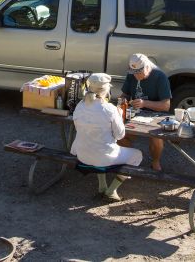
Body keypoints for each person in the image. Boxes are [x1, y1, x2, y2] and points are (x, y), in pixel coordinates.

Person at [70, 72, 143, 200]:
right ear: (107, 90)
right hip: (102, 156)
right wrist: (119, 116)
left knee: (98, 145)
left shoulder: (79, 106)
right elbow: (120, 136)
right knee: (137, 155)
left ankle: (102, 186)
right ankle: (111, 190)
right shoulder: (110, 109)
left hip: (82, 154)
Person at [118, 53, 172, 171]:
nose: (136, 76)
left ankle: (155, 162)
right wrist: (120, 104)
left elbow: (166, 106)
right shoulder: (131, 75)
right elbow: (124, 95)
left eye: (139, 72)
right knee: (119, 133)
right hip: (135, 114)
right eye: (134, 72)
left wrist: (145, 103)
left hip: (156, 115)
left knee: (156, 137)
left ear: (147, 67)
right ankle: (131, 159)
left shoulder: (160, 77)